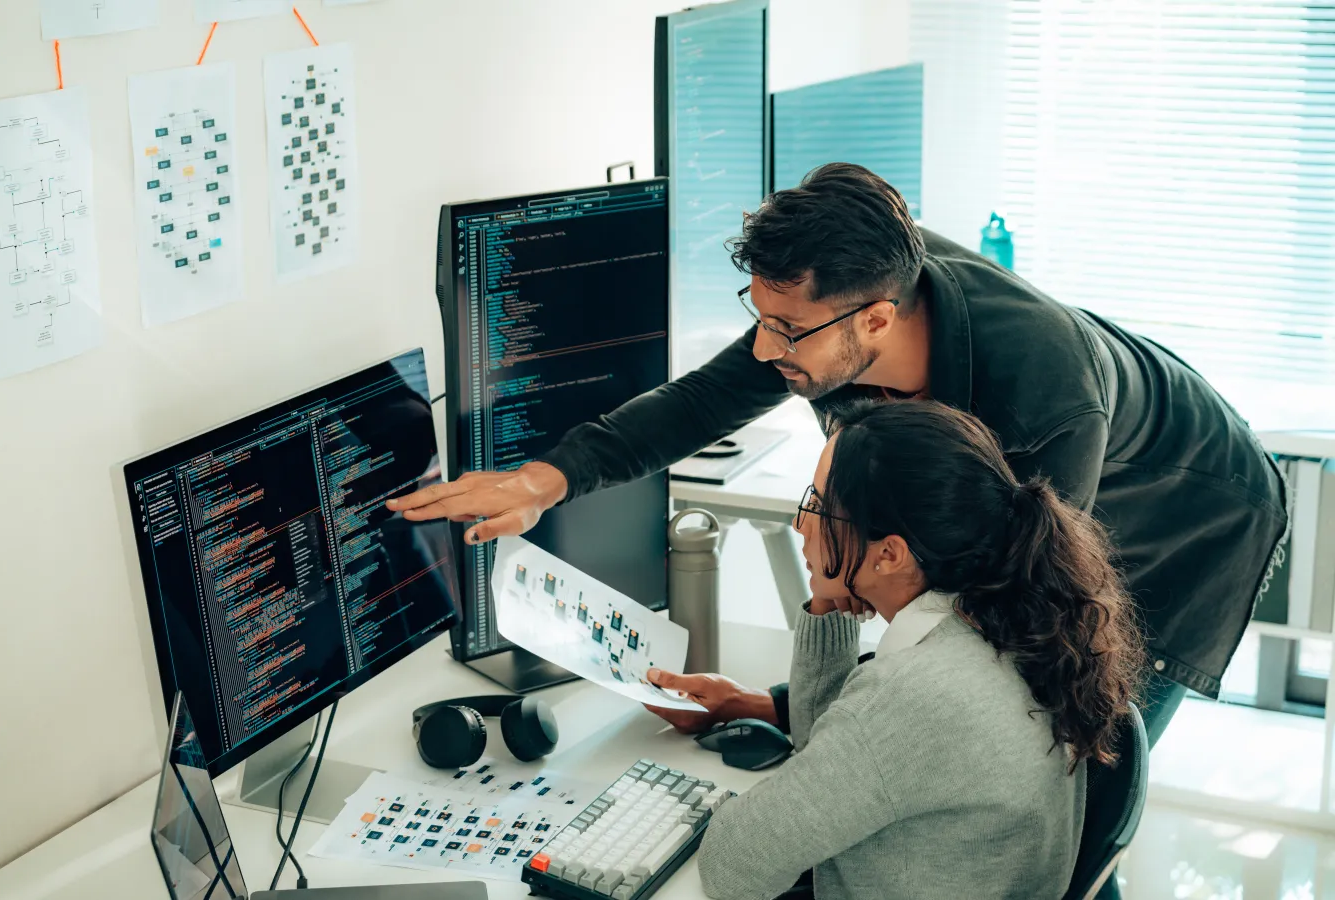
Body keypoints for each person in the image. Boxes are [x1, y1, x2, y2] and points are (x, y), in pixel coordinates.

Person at [389, 163, 1287, 750]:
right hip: (1088, 472)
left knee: (1066, 752)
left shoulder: (1041, 404)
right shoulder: (839, 301)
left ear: (878, 321)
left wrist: (782, 705)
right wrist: (543, 481)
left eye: (785, 329)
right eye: (759, 315)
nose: (766, 347)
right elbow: (701, 399)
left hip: (1191, 511)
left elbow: (994, 623)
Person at [650, 400, 1145, 900]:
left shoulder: (915, 695)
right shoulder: (1013, 623)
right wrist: (829, 600)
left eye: (818, 506)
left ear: (889, 554)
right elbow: (827, 744)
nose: (800, 524)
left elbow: (733, 868)